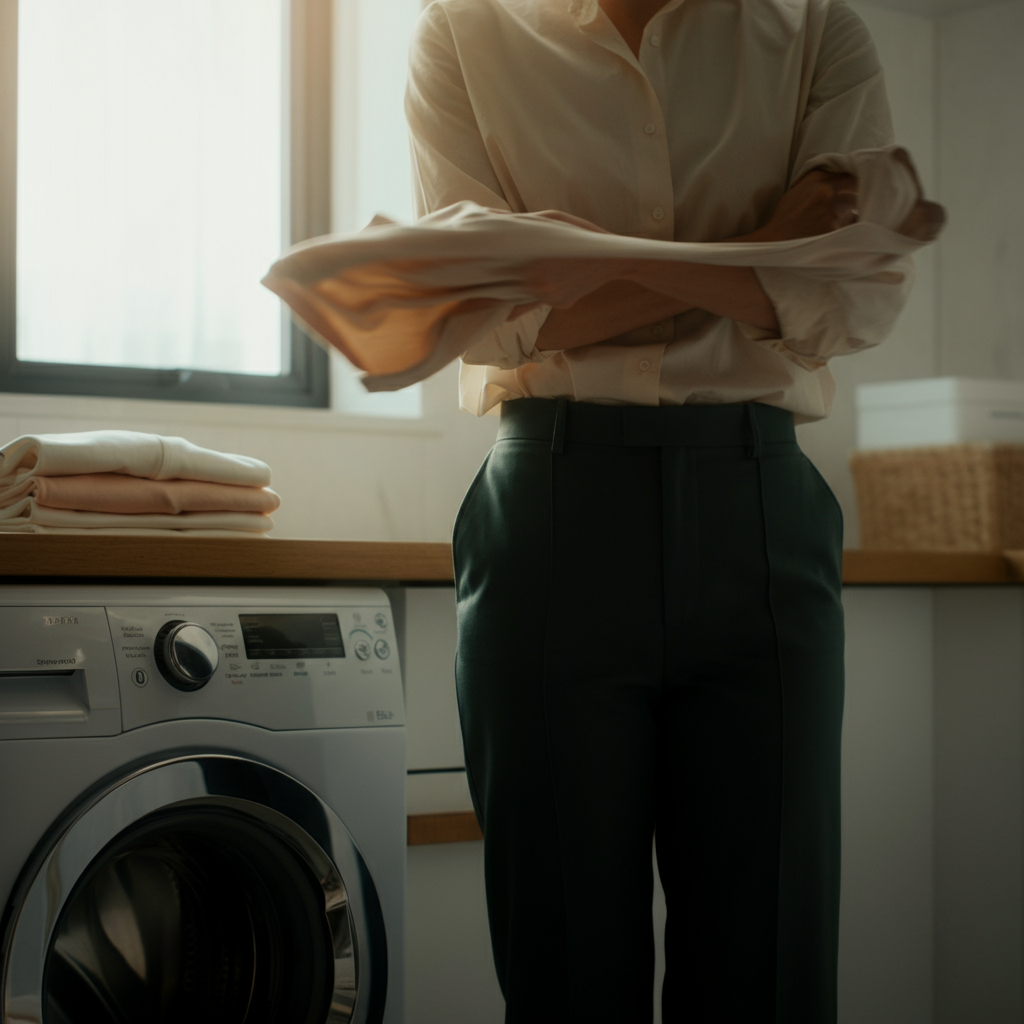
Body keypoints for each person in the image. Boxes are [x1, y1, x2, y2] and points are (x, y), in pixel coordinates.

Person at [405, 1, 934, 1020]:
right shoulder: (461, 33)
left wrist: (572, 284)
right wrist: (760, 251)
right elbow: (473, 319)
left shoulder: (815, 27)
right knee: (562, 972)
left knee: (769, 975)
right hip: (552, 518)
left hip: (760, 516)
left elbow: (856, 292)